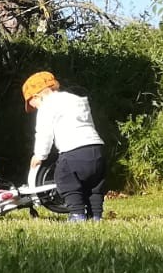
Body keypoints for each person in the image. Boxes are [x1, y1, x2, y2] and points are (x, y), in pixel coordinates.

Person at [22, 71, 107, 222]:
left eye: (32, 105)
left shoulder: (47, 106)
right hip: (97, 148)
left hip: (74, 151)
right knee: (94, 185)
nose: (34, 109)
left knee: (65, 179)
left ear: (37, 96)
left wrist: (39, 155)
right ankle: (96, 216)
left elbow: (44, 133)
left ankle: (77, 214)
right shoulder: (77, 100)